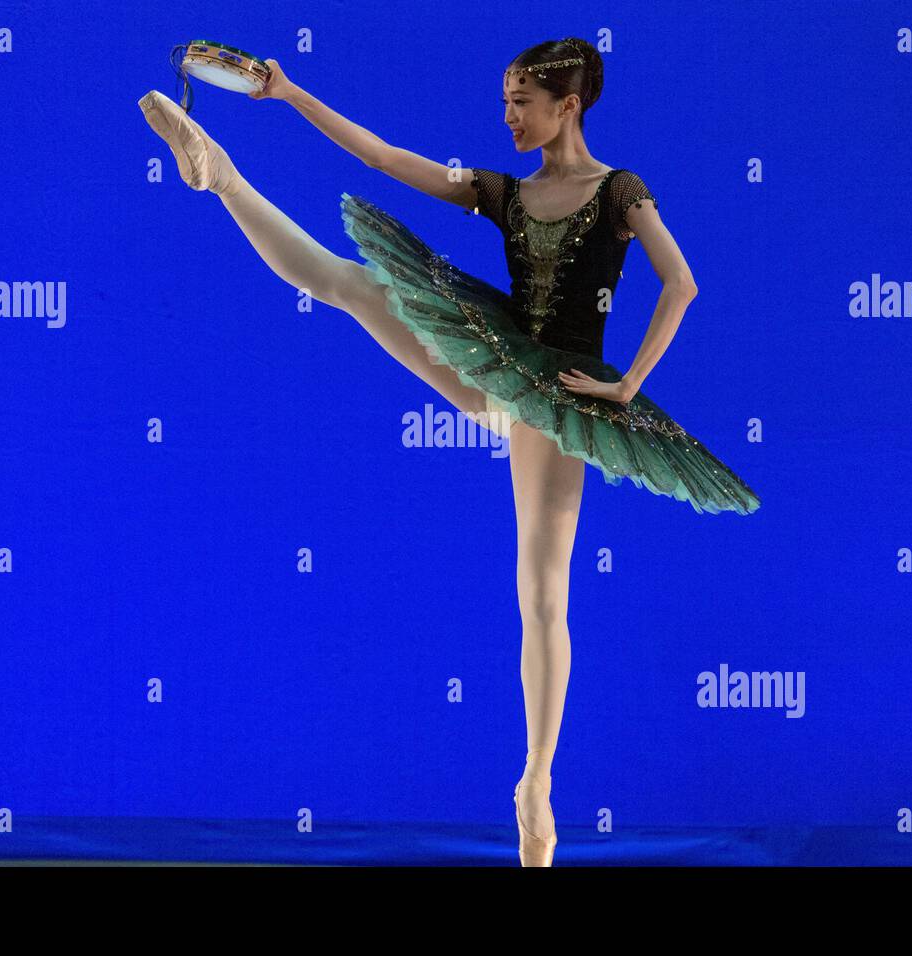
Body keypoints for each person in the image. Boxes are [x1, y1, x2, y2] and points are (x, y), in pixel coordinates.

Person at [139, 36, 760, 867]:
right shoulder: (504, 191)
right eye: (505, 102)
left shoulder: (620, 192)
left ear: (568, 104)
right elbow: (391, 158)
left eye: (521, 103)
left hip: (558, 396)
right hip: (495, 348)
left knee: (542, 594)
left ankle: (536, 784)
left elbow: (680, 283)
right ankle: (220, 174)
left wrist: (624, 388)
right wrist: (291, 95)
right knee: (345, 283)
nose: (507, 117)